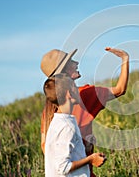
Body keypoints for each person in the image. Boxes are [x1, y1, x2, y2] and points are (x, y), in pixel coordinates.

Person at [40, 47, 129, 176]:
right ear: (64, 72)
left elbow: (46, 148)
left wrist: (82, 146)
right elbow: (120, 89)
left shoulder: (50, 111)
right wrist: (125, 59)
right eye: (71, 61)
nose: (76, 63)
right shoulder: (84, 94)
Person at [43, 73, 106, 176]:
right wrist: (90, 159)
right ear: (69, 94)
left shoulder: (59, 121)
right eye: (75, 87)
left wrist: (86, 149)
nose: (78, 89)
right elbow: (63, 167)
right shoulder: (66, 126)